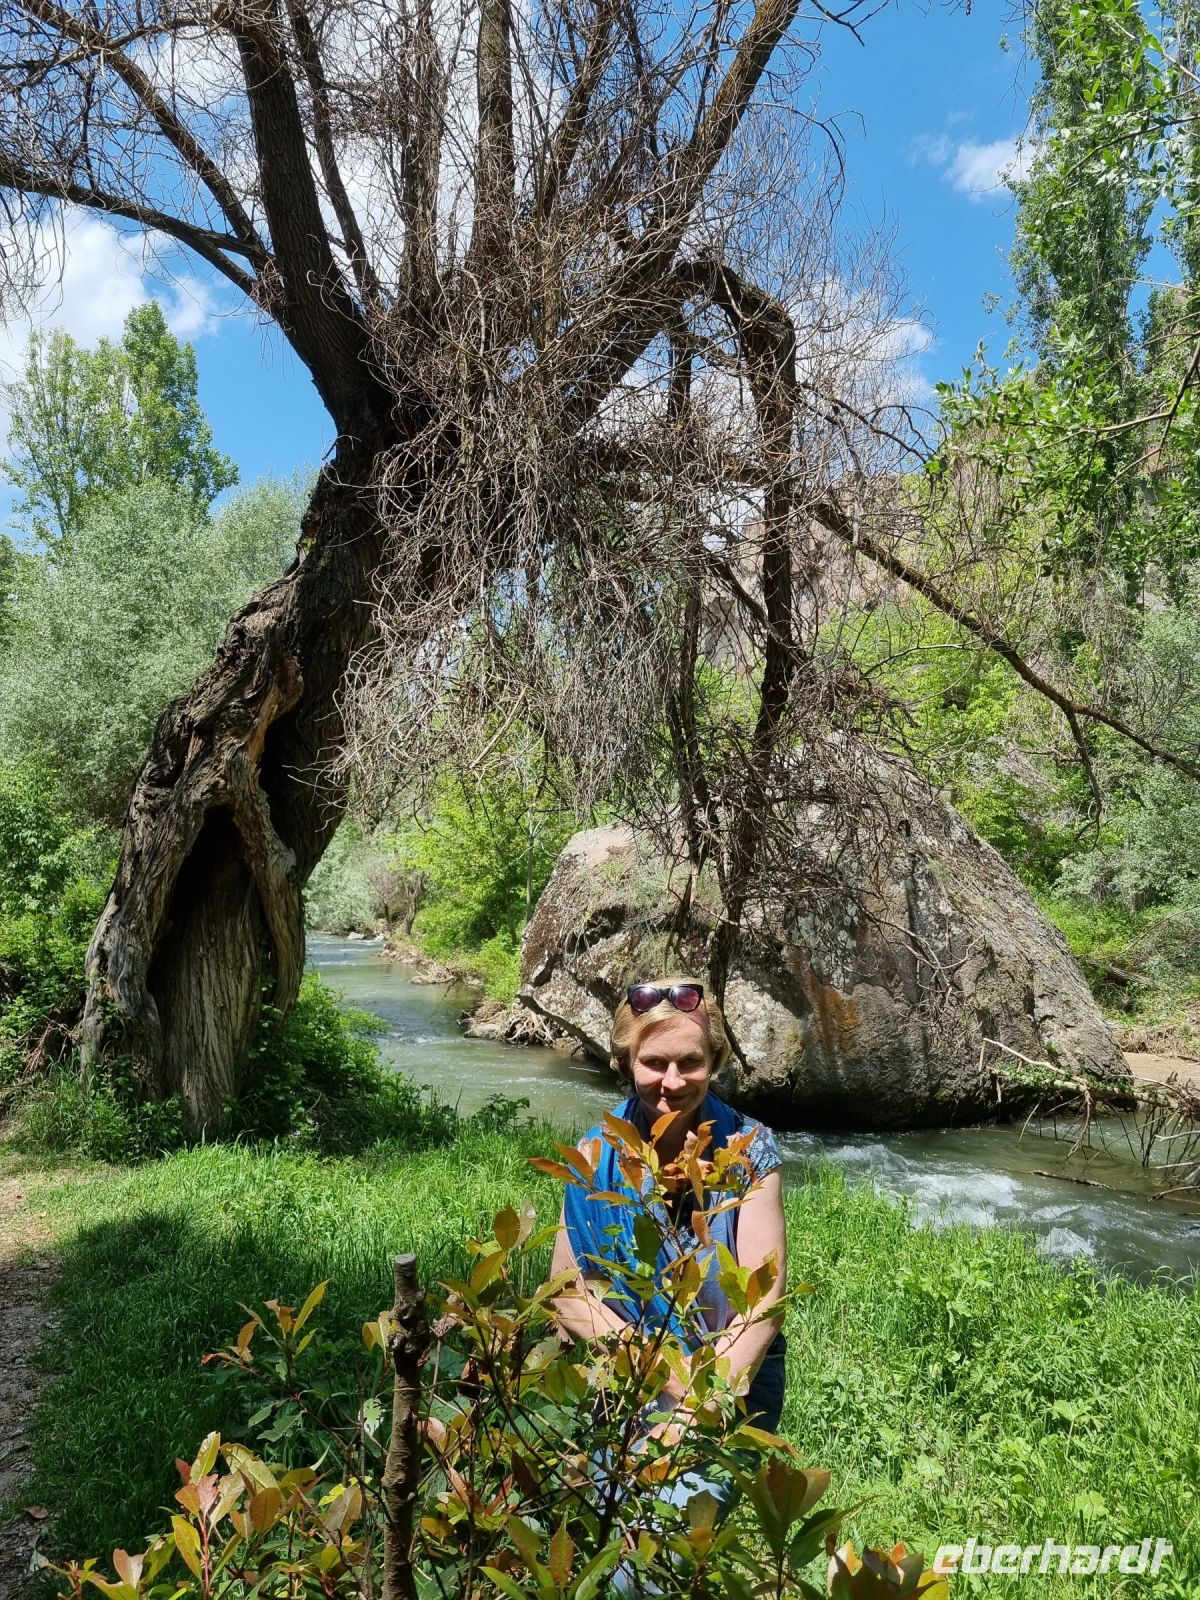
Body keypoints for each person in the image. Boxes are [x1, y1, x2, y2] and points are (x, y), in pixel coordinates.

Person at [549, 978, 788, 1518]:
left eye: (690, 1062)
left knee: (667, 1548)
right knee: (602, 1535)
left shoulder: (749, 1151)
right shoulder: (593, 1153)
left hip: (729, 1381)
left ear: (716, 1061)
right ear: (626, 1061)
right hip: (622, 1373)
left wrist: (693, 1407)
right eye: (654, 1062)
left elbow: (763, 1303)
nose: (672, 1081)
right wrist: (663, 1374)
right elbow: (569, 1295)